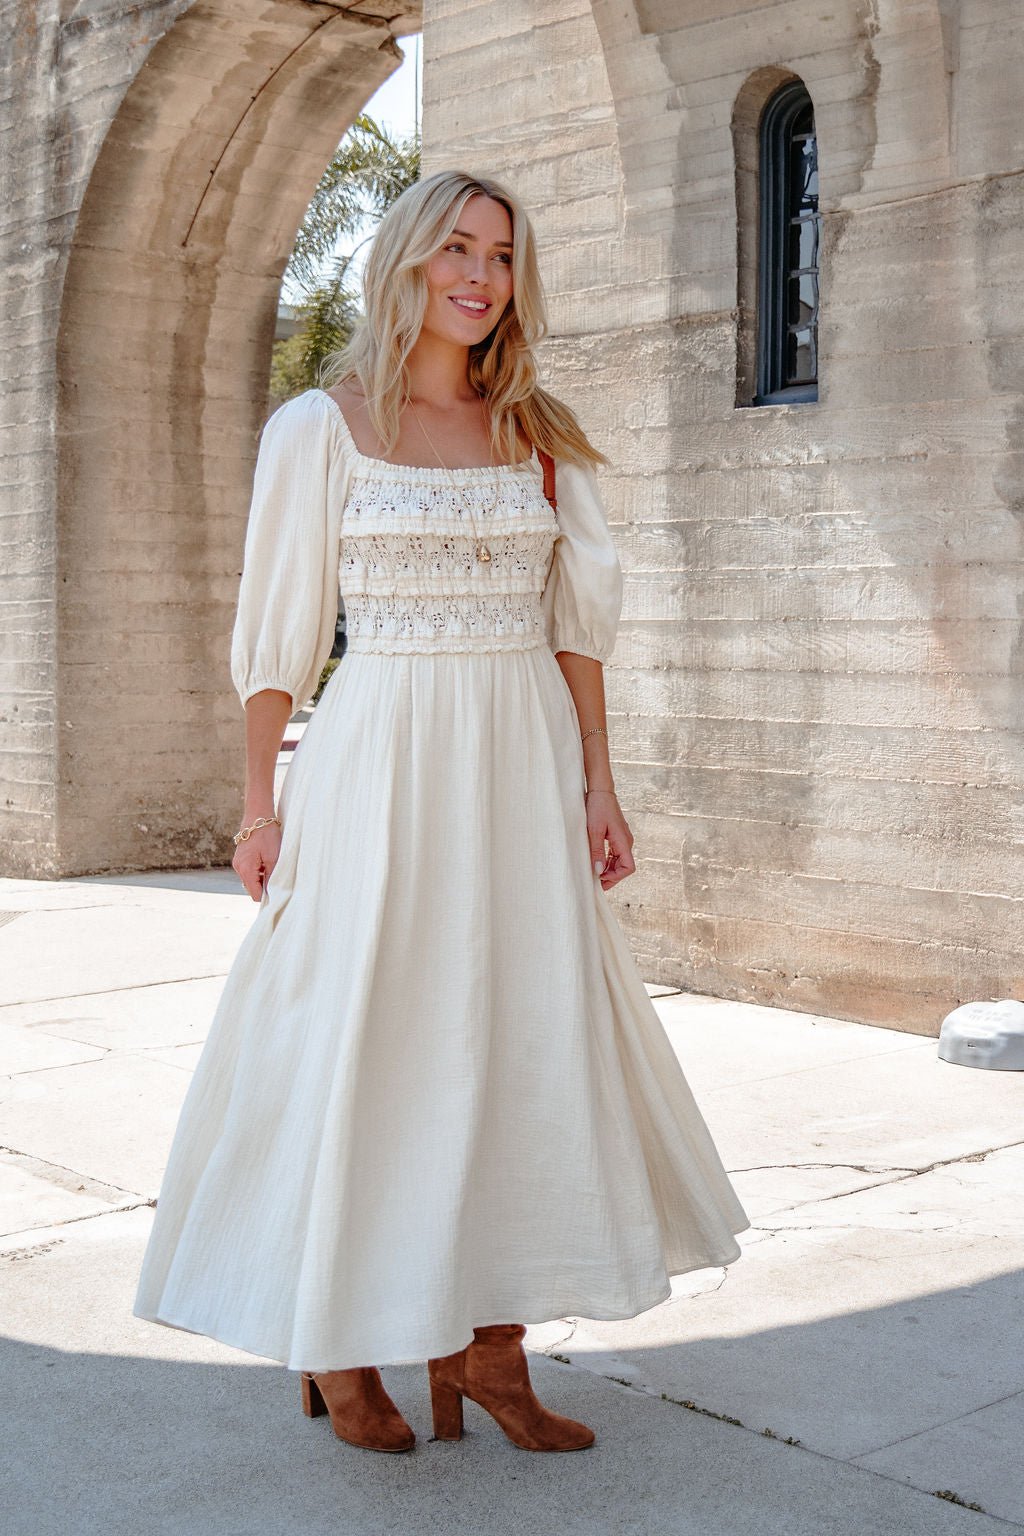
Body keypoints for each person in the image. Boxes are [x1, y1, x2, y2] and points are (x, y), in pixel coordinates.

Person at [133, 169, 749, 1455]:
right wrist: (259, 808)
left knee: (519, 1039)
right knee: (368, 1041)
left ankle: (487, 1348)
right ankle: (337, 1342)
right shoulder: (322, 426)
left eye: (503, 257)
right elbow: (278, 634)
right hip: (378, 761)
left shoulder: (540, 432)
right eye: (456, 249)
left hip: (518, 756)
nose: (479, 276)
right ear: (407, 261)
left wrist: (600, 778)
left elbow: (577, 628)